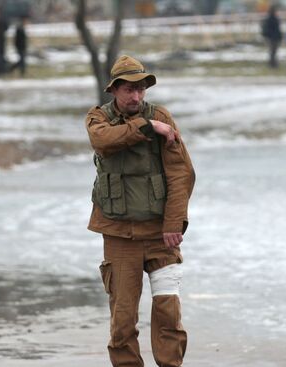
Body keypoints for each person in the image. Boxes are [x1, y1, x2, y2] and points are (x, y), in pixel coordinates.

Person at [84, 55, 195, 367]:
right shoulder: (98, 118)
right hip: (119, 237)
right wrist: (147, 127)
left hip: (162, 235)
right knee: (122, 322)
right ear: (114, 90)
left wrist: (174, 223)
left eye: (140, 89)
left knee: (168, 314)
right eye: (128, 89)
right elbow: (102, 140)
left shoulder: (162, 116)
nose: (135, 96)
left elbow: (181, 174)